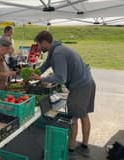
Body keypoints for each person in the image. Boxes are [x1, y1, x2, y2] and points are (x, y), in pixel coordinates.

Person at [31, 31, 96, 160]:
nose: (38, 48)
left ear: (44, 42)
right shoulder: (55, 49)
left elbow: (61, 78)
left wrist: (42, 78)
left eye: (38, 44)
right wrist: (34, 73)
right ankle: (84, 147)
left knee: (74, 118)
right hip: (88, 82)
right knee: (83, 115)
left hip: (80, 87)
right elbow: (46, 65)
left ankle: (71, 150)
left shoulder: (58, 53)